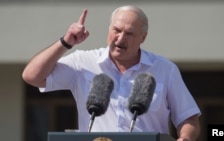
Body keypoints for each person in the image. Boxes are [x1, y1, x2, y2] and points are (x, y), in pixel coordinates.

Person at [22, 5, 201, 141]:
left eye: (129, 33)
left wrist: (185, 138)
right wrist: (65, 42)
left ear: (143, 37)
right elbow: (32, 77)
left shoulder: (164, 69)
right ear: (109, 29)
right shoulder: (83, 62)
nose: (120, 38)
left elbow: (188, 117)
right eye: (116, 30)